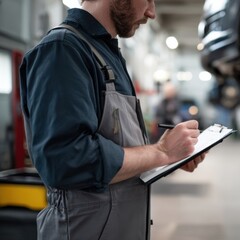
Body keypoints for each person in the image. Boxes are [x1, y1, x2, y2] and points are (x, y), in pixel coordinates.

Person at [19, 0, 206, 239]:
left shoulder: (107, 54)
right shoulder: (63, 49)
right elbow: (66, 160)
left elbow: (120, 149)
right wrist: (161, 152)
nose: (151, 12)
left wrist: (171, 156)